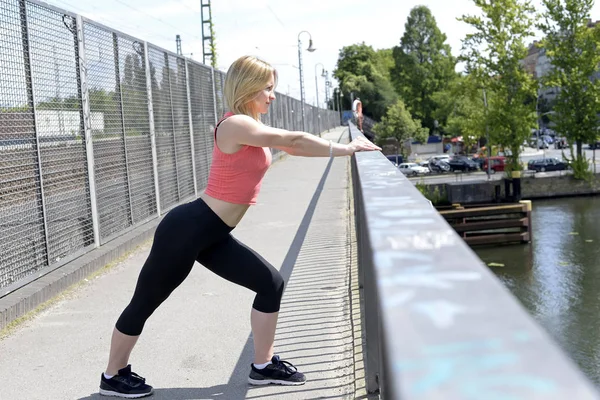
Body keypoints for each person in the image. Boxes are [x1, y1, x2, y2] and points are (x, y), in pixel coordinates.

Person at [98, 55, 381, 398]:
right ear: (248, 89)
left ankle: (261, 367)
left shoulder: (250, 125)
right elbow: (292, 141)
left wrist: (341, 150)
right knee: (145, 301)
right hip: (187, 230)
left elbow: (295, 147)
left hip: (212, 234)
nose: (272, 96)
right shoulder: (235, 125)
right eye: (268, 89)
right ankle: (113, 375)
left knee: (270, 283)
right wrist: (346, 148)